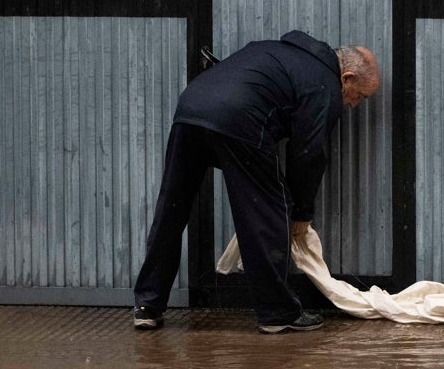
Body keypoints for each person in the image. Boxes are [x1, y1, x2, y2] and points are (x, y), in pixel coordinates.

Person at [132, 30, 381, 333]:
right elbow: (308, 153)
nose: (355, 104)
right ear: (347, 76)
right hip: (240, 120)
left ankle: (148, 304)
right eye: (360, 96)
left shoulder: (274, 50)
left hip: (190, 109)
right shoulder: (324, 84)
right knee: (269, 212)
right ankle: (277, 312)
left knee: (172, 209)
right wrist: (301, 213)